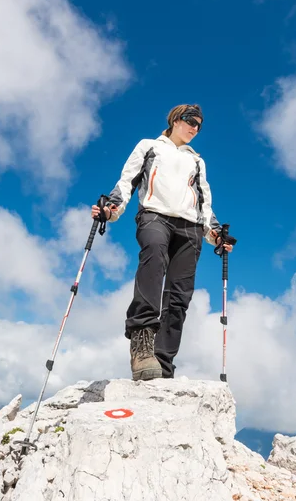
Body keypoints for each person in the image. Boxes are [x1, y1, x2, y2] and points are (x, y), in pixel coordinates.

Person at [91, 104, 233, 381]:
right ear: (175, 119)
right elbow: (126, 182)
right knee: (154, 257)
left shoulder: (197, 161)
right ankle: (142, 344)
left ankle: (163, 362)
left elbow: (204, 202)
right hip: (154, 216)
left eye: (199, 125)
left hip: (190, 227)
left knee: (180, 295)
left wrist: (215, 233)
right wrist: (111, 209)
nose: (195, 128)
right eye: (191, 121)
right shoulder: (148, 147)